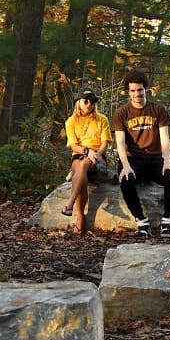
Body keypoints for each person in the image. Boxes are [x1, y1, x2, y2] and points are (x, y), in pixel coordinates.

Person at [112, 69, 170, 237]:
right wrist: (125, 166)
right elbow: (119, 142)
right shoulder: (121, 113)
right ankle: (141, 221)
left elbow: (164, 138)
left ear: (145, 89)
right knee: (126, 180)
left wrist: (168, 161)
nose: (137, 94)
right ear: (128, 92)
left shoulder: (158, 110)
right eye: (133, 91)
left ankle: (168, 220)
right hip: (133, 159)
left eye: (139, 90)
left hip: (155, 159)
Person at [61, 88, 112, 232]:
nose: (89, 104)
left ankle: (72, 206)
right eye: (86, 101)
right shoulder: (70, 121)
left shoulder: (102, 119)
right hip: (79, 154)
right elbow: (73, 145)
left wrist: (94, 154)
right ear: (78, 103)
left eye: (92, 101)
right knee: (80, 168)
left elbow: (105, 144)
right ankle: (80, 215)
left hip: (97, 156)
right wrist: (86, 151)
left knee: (82, 166)